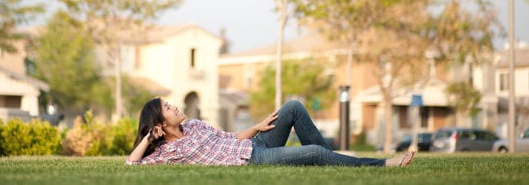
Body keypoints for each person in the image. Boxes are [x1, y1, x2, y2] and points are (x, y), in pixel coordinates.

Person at [126, 98, 415, 167]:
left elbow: (231, 137)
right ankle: (384, 164)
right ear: (160, 122)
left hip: (256, 141)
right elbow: (131, 164)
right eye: (167, 107)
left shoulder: (196, 124)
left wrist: (258, 127)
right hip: (254, 158)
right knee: (313, 153)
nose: (174, 106)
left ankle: (332, 159)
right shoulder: (168, 152)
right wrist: (151, 139)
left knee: (292, 107)